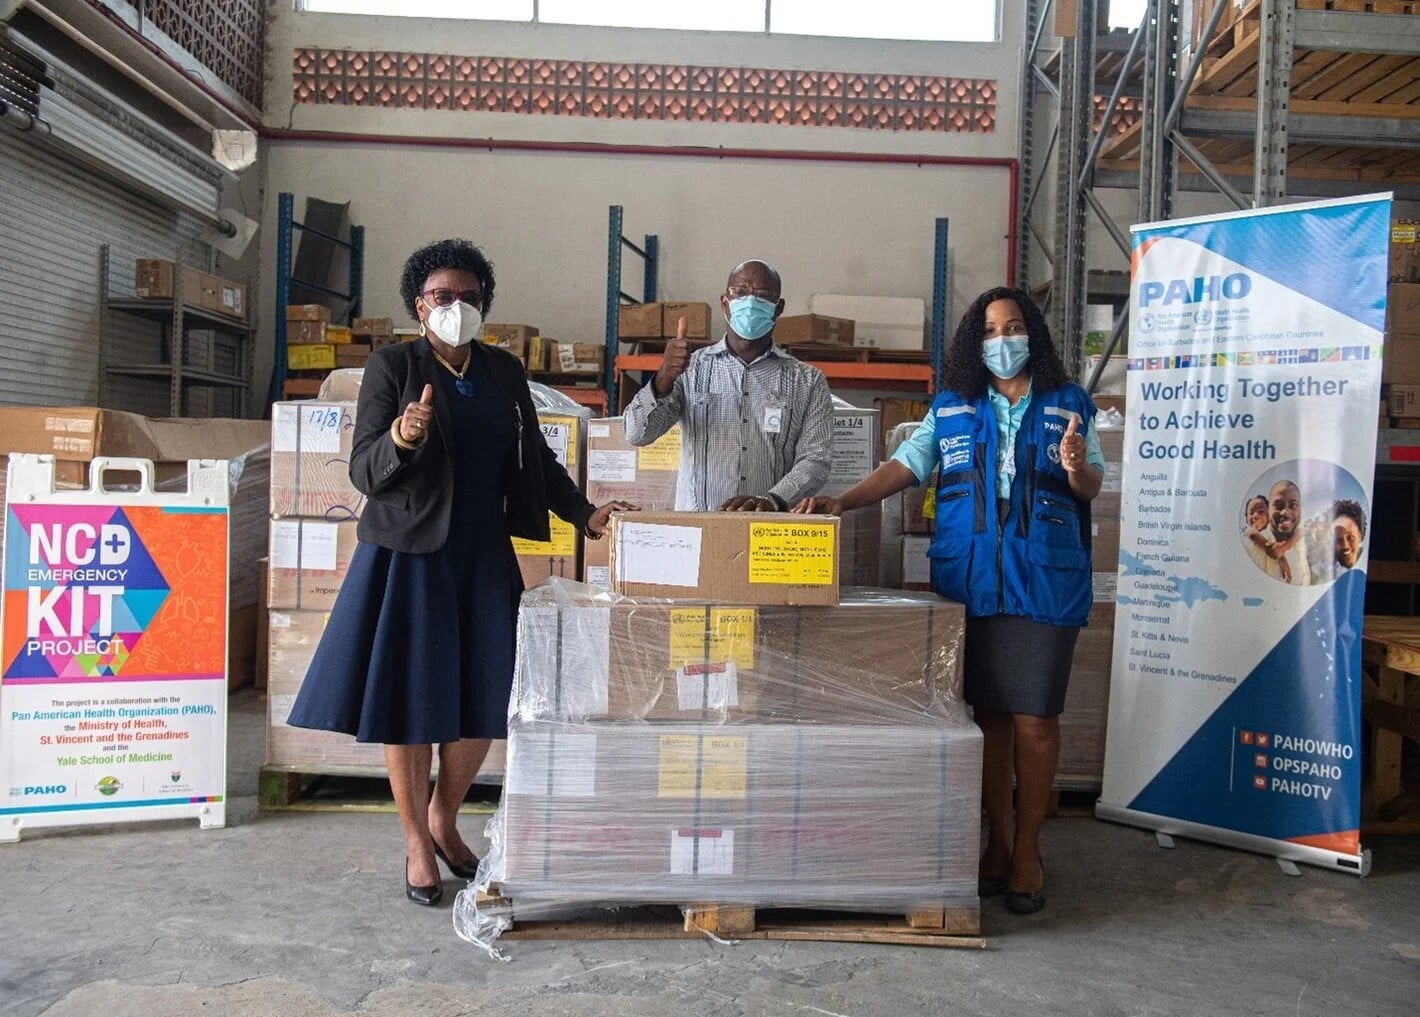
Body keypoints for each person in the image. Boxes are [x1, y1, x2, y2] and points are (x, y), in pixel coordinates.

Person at [286, 239, 631, 907]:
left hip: (481, 552)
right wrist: (401, 439)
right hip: (409, 554)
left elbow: (533, 463)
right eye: (444, 296)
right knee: (411, 703)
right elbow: (363, 467)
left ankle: (446, 813)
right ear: (420, 305)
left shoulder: (502, 373)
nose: (457, 306)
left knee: (487, 695)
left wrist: (585, 513)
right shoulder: (394, 365)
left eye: (470, 296)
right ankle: (417, 840)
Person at [794, 286, 1102, 915]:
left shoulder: (1069, 404)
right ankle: (998, 839)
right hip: (971, 583)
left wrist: (1075, 464)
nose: (1002, 340)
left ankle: (1028, 852)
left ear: (1032, 334)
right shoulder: (954, 405)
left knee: (1036, 721)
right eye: (989, 330)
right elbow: (906, 464)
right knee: (987, 721)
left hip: (1043, 583)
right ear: (975, 342)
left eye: (1013, 327)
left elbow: (1089, 483)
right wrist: (842, 500)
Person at [623, 259, 834, 511]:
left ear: (778, 308)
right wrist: (663, 377)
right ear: (725, 303)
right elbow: (636, 434)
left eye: (763, 295)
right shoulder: (690, 370)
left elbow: (816, 459)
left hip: (769, 530)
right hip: (699, 528)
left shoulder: (807, 381)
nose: (751, 302)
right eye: (741, 292)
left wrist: (773, 499)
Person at [1244, 479, 1310, 585]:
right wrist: (1278, 553)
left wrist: (1283, 548)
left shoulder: (1302, 543)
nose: (1285, 512)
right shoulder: (1252, 546)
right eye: (1278, 506)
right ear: (1269, 510)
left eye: (1293, 505)